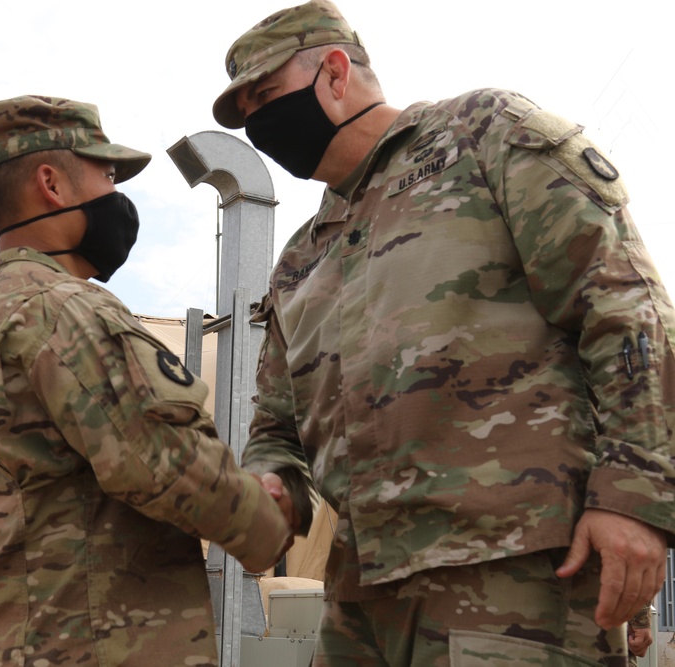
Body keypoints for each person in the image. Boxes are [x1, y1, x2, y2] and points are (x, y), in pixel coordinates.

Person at [211, 1, 675, 665]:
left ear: (336, 73)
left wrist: (635, 498)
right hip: (359, 601)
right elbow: (278, 431)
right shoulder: (299, 259)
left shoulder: (486, 136)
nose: (259, 124)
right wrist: (270, 481)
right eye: (245, 112)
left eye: (266, 96)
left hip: (516, 574)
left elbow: (623, 304)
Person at [0, 95, 293, 667]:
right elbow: (164, 461)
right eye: (108, 177)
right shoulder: (61, 311)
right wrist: (270, 519)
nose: (118, 199)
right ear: (51, 184)